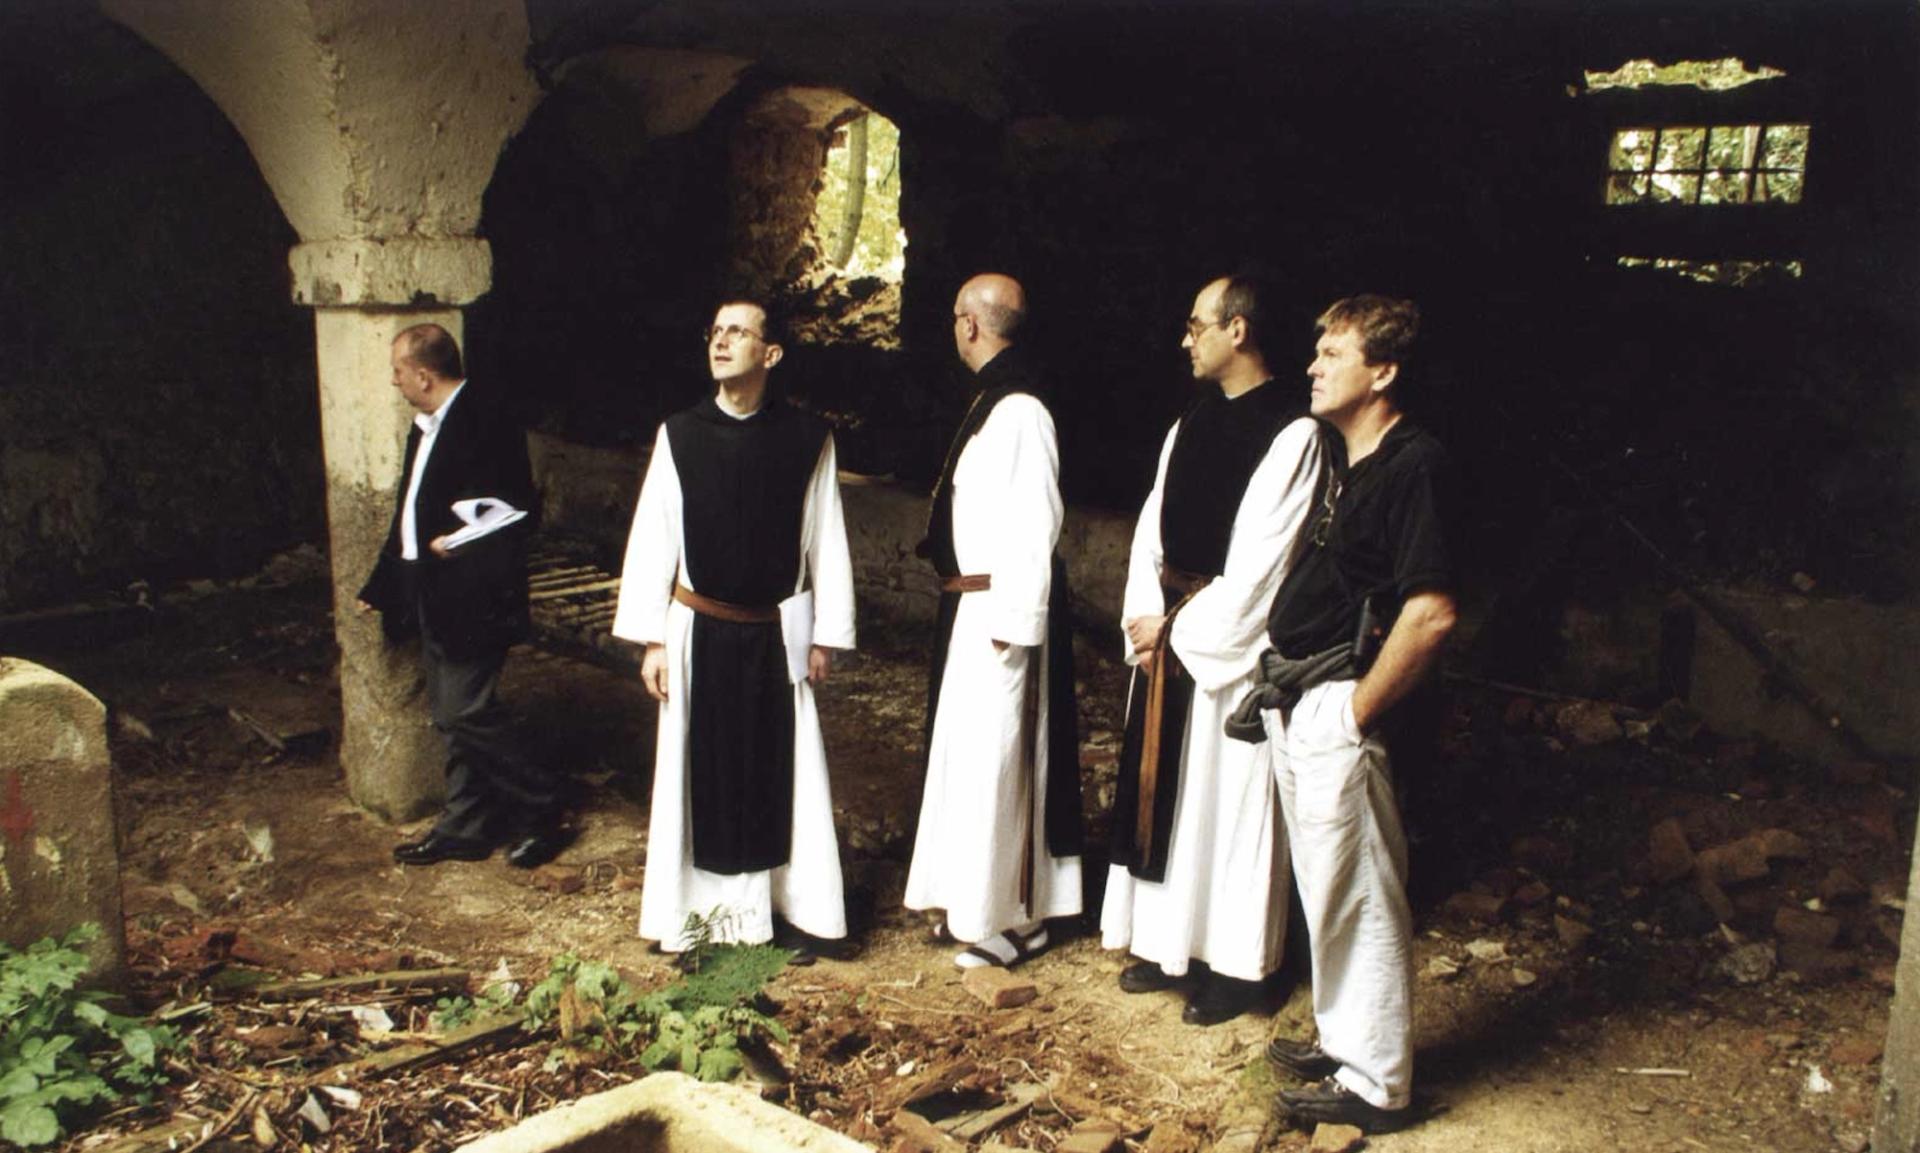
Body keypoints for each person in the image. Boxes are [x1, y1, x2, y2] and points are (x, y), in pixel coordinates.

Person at [1235, 295, 1457, 1133]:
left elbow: (1430, 611)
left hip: (1340, 705)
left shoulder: (1415, 464)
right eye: (1317, 349)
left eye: (1334, 352)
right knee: (1328, 886)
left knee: (1361, 888)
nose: (1314, 364)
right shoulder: (1352, 461)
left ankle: (1377, 1083)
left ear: (1384, 370)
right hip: (1306, 698)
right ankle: (1343, 1036)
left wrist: (1354, 712)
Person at [1100, 275, 1323, 1025]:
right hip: (1167, 628)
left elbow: (1266, 564)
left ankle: (1237, 968)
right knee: (1169, 796)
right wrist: (1143, 609)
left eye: (1196, 325)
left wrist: (1180, 628)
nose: (1184, 338)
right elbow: (1150, 529)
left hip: (1225, 647)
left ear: (1238, 329)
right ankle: (1168, 946)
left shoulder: (1293, 433)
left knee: (1227, 803)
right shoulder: (1189, 421)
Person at [612, 299, 855, 964]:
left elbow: (826, 537)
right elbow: (655, 534)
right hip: (700, 630)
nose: (721, 341)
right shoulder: (680, 435)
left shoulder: (809, 438)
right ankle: (705, 920)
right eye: (715, 330)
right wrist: (653, 640)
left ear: (770, 354)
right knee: (705, 776)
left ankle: (790, 911)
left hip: (777, 634)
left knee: (786, 774)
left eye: (739, 332)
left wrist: (826, 634)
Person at [904, 272, 1083, 969]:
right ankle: (972, 901)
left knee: (1005, 761)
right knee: (971, 762)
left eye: (956, 318)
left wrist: (1015, 624)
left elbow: (1036, 522)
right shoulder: (992, 402)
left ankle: (1016, 916)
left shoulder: (1021, 410)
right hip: (971, 609)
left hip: (999, 615)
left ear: (971, 325)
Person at [358, 323, 564, 869]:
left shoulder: (487, 419)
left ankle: (543, 809)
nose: (394, 380)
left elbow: (517, 506)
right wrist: (385, 582)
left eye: (399, 371)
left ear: (423, 374)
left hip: (477, 593)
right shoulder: (423, 426)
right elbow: (410, 510)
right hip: (434, 589)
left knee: (464, 712)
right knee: (451, 716)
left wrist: (459, 541)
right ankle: (467, 826)